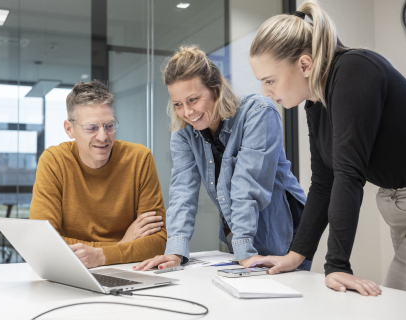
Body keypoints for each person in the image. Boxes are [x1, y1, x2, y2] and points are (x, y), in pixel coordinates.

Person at [244, 0, 406, 300]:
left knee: (401, 308)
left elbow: (348, 173)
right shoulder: (316, 102)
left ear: (304, 64)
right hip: (402, 210)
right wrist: (296, 254)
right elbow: (324, 182)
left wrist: (337, 265)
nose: (265, 92)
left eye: (269, 80)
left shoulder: (355, 69)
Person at [133, 46, 310, 272]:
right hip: (238, 235)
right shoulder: (184, 132)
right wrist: (175, 251)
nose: (187, 112)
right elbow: (182, 191)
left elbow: (247, 187)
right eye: (178, 104)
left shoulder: (257, 113)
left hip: (282, 229)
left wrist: (243, 248)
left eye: (193, 99)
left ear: (215, 89)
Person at [29, 80, 167, 268]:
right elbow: (44, 243)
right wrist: (122, 245)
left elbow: (157, 243)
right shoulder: (54, 161)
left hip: (129, 269)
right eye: (92, 128)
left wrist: (101, 255)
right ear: (69, 129)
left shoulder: (139, 158)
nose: (103, 137)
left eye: (109, 126)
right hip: (71, 270)